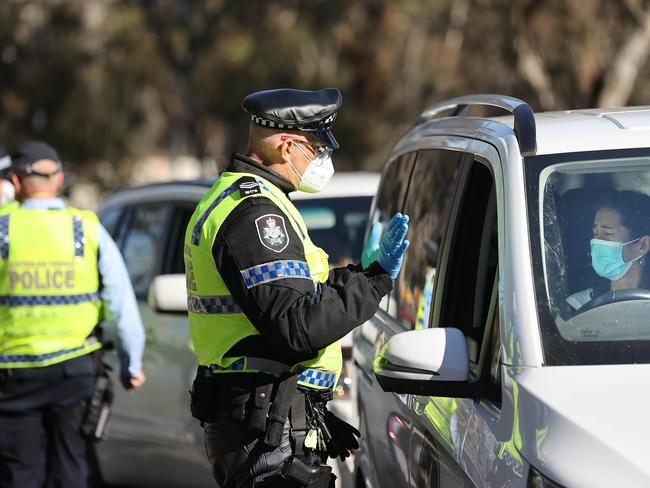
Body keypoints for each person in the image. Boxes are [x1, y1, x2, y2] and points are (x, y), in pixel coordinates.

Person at [185, 88, 409, 488]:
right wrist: (374, 283)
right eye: (318, 147)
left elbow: (305, 294)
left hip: (269, 422)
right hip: (266, 432)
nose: (324, 159)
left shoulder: (252, 200)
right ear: (288, 146)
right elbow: (297, 326)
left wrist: (364, 273)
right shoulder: (255, 215)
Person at [0, 141, 146, 488]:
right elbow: (120, 301)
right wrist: (132, 363)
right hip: (74, 370)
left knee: (20, 471)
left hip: (13, 375)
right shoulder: (87, 227)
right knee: (71, 466)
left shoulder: (2, 228)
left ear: (17, 182)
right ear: (60, 178)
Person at [567, 190, 650, 310]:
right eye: (595, 233)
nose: (597, 241)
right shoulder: (578, 305)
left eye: (608, 233)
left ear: (643, 245)